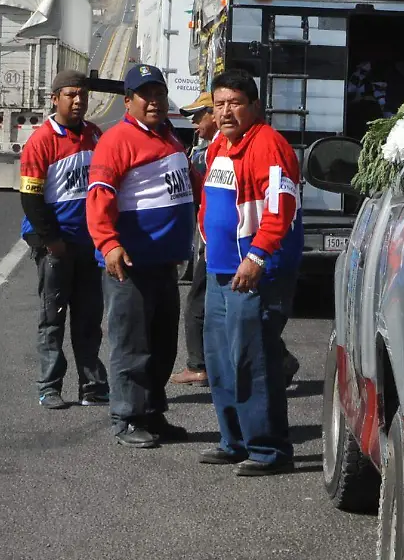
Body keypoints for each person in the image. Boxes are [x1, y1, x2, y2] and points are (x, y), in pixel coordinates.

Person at [85, 63, 197, 449]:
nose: (154, 101)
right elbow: (98, 197)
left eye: (159, 93)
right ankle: (127, 417)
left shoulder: (170, 137)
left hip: (164, 264)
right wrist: (109, 244)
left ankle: (151, 411)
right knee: (132, 345)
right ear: (128, 101)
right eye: (145, 95)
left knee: (163, 345)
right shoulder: (117, 140)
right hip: (129, 266)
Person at [198, 69, 303, 475]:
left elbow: (281, 210)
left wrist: (257, 257)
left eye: (235, 103)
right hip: (221, 272)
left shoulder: (270, 147)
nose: (225, 112)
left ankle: (269, 451)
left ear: (254, 106)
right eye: (219, 104)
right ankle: (235, 441)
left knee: (252, 361)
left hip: (255, 274)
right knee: (220, 361)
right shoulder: (219, 146)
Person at [17, 70, 107, 409]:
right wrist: (51, 239)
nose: (78, 100)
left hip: (89, 245)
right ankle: (50, 386)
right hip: (56, 246)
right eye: (70, 94)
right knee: (53, 319)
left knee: (89, 319)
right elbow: (30, 197)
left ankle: (93, 386)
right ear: (55, 98)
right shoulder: (42, 140)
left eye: (82, 94)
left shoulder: (95, 135)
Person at [170, 92, 218, 389]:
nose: (194, 122)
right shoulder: (210, 149)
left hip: (218, 243)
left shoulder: (207, 154)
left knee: (197, 303)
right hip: (212, 238)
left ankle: (197, 366)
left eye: (199, 115)